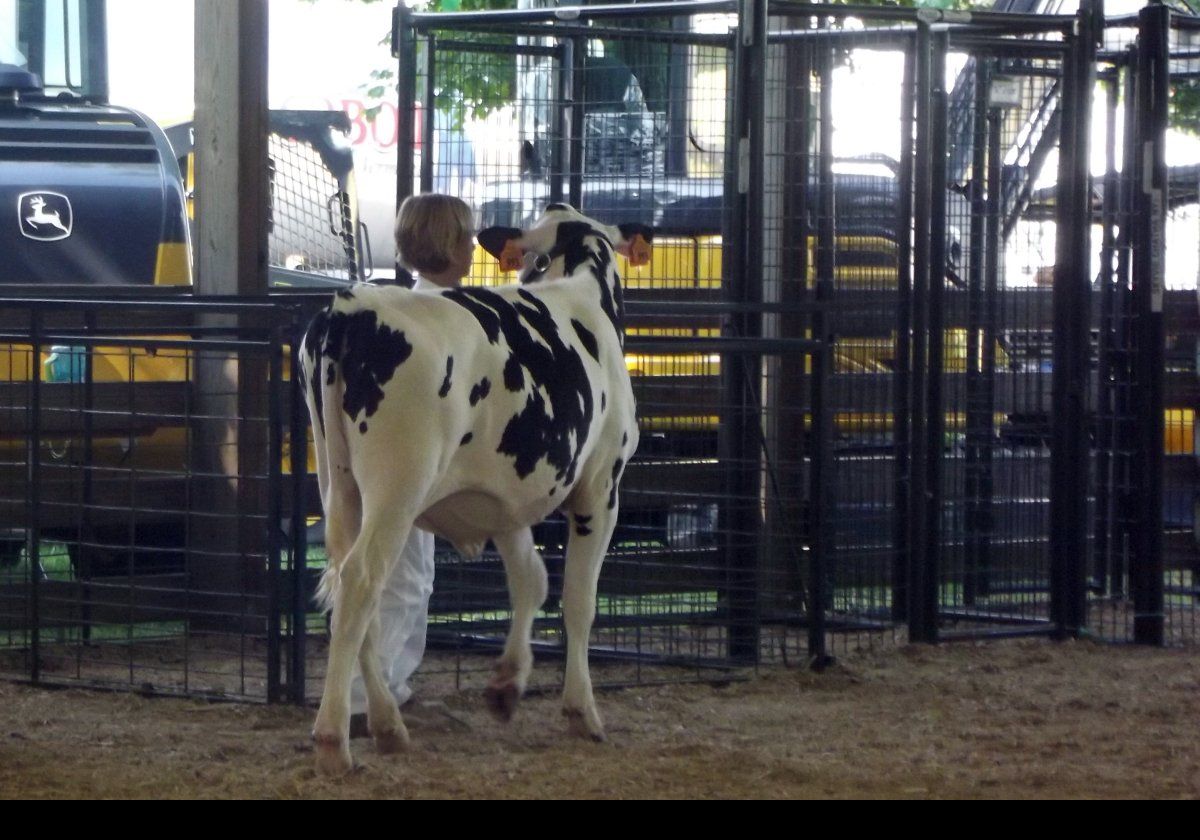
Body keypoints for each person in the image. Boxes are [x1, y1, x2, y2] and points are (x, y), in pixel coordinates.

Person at [348, 193, 475, 734]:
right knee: (403, 576)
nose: (474, 246)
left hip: (377, 454)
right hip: (420, 462)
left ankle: (387, 686)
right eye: (467, 236)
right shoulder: (449, 316)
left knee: (397, 571)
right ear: (450, 246)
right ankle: (366, 695)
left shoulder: (400, 310)